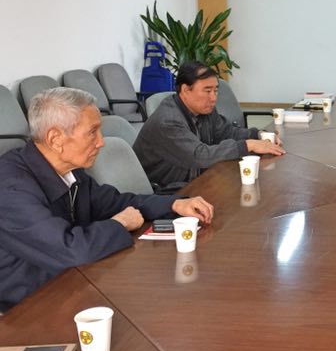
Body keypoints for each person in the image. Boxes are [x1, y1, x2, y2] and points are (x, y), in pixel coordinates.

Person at [0, 87, 214, 312]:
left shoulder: (69, 170)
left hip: (73, 283)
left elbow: (115, 202)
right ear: (55, 139)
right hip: (24, 310)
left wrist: (174, 204)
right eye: (92, 132)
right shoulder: (10, 189)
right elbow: (71, 248)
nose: (101, 142)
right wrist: (119, 223)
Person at [134, 61, 284, 187]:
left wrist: (257, 134)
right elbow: (200, 156)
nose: (213, 98)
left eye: (215, 91)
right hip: (167, 190)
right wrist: (247, 145)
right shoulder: (168, 121)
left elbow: (227, 132)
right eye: (207, 91)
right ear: (185, 90)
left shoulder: (203, 109)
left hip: (196, 178)